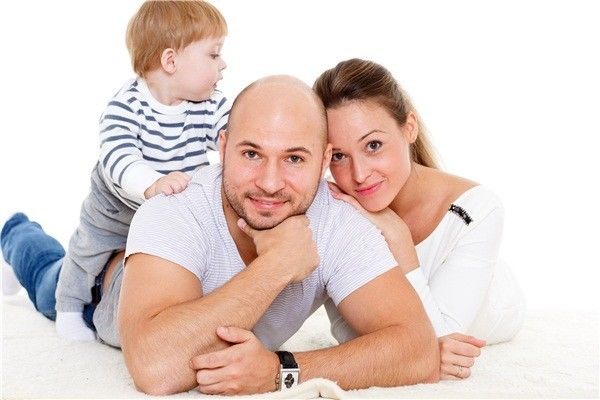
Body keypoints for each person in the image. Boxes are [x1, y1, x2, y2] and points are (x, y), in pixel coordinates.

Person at [1, 75, 440, 396]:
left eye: (294, 159)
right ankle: (14, 230)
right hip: (105, 289)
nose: (270, 183)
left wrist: (281, 370)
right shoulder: (175, 206)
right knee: (45, 271)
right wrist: (276, 266)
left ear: (324, 159)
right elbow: (156, 369)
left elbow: (418, 350)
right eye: (251, 154)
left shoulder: (338, 222)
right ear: (223, 146)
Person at [23, 0, 228, 341]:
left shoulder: (209, 103)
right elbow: (120, 158)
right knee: (87, 251)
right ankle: (68, 306)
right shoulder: (126, 106)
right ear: (171, 61)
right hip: (117, 209)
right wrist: (153, 184)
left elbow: (233, 133)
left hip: (166, 212)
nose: (223, 64)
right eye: (213, 54)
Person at [313, 58, 526, 380]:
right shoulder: (338, 207)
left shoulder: (478, 209)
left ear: (409, 128)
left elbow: (431, 344)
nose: (358, 174)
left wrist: (399, 239)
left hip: (497, 308)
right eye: (339, 156)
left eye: (373, 145)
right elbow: (350, 332)